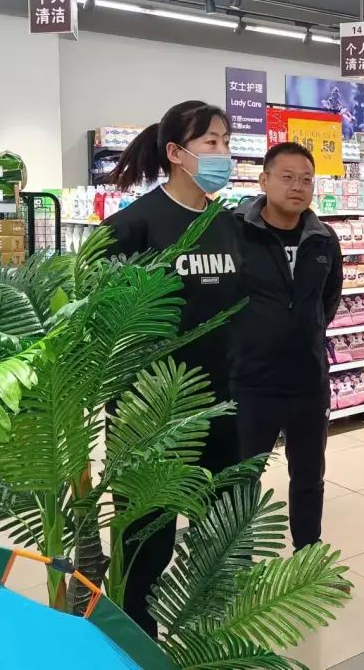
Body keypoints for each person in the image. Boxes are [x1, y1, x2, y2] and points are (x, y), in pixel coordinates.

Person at [102, 100, 242, 636]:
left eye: (226, 142)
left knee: (219, 533)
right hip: (149, 413)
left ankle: (206, 641)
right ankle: (137, 642)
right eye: (211, 143)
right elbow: (106, 328)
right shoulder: (130, 228)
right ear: (176, 153)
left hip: (220, 408)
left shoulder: (228, 225)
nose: (223, 153)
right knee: (146, 540)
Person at [234, 142, 343, 550]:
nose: (298, 186)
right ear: (264, 181)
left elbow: (328, 300)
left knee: (310, 476)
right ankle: (235, 564)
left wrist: (304, 332)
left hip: (308, 382)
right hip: (249, 382)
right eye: (287, 177)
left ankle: (307, 556)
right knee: (242, 480)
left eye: (306, 180)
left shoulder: (324, 239)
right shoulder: (236, 233)